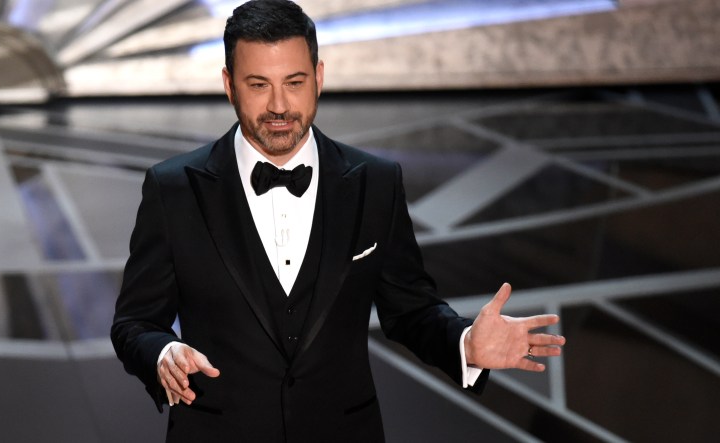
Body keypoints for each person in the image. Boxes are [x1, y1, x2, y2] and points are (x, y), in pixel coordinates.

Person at [111, 1, 566, 442]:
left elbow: (411, 310)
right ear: (229, 85)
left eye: (294, 82)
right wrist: (162, 354)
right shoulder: (173, 188)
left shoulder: (375, 182)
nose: (279, 105)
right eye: (258, 85)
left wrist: (464, 344)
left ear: (319, 77)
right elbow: (134, 322)